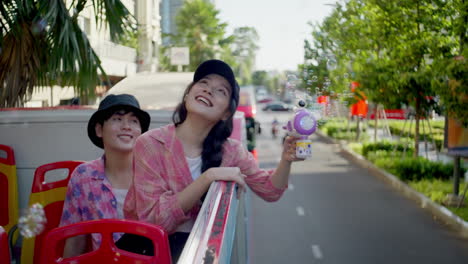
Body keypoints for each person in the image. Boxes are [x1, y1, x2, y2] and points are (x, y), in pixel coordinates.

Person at [123, 59, 304, 261]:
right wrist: (209, 177)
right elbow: (155, 222)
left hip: (200, 255)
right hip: (147, 254)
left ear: (227, 112)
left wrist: (286, 160)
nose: (208, 90)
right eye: (204, 83)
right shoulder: (150, 144)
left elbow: (270, 191)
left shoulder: (232, 151)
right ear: (188, 94)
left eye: (221, 91)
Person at [59, 94, 150, 257]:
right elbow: (74, 240)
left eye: (134, 121)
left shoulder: (155, 173)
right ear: (99, 129)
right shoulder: (83, 176)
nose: (127, 126)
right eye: (117, 119)